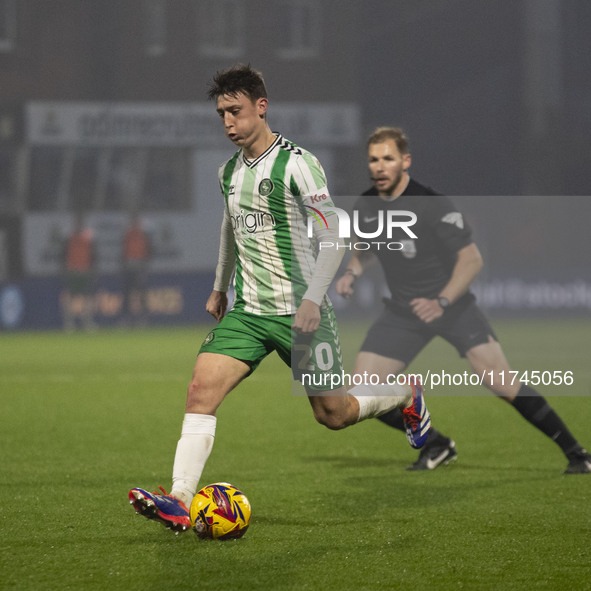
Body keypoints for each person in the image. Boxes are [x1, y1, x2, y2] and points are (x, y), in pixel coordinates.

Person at [128, 66, 432, 533]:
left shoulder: (297, 163)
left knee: (333, 415)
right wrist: (219, 286)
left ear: (261, 107)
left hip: (301, 313)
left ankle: (403, 393)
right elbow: (230, 229)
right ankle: (178, 500)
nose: (228, 122)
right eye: (221, 114)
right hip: (249, 313)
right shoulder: (228, 171)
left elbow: (333, 236)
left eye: (236, 111)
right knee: (199, 390)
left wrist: (314, 299)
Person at [335, 126, 591, 475]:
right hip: (404, 311)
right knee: (359, 393)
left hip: (452, 307)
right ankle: (438, 444)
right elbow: (365, 248)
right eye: (374, 160)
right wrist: (352, 272)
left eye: (388, 159)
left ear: (405, 161)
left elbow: (471, 260)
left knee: (500, 381)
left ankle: (577, 453)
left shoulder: (431, 203)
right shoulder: (366, 204)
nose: (379, 166)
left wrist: (441, 301)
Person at [61, 213, 96, 331]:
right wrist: (65, 267)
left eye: (80, 222)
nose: (78, 225)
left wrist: (92, 268)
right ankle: (69, 322)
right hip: (73, 270)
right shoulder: (69, 237)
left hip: (84, 270)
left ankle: (87, 321)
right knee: (70, 297)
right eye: (77, 222)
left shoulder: (88, 238)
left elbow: (93, 255)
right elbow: (64, 254)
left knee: (87, 297)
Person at [121, 212, 151, 326]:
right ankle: (126, 318)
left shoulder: (144, 233)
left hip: (140, 265)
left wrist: (145, 262)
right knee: (128, 293)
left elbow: (149, 249)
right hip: (129, 265)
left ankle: (143, 318)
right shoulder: (128, 234)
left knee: (141, 293)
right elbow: (123, 250)